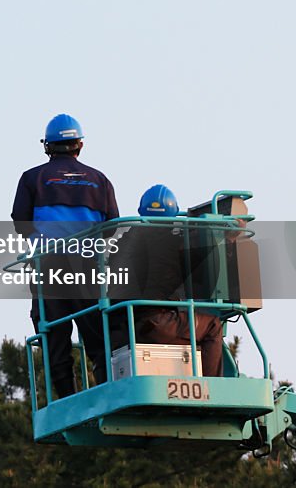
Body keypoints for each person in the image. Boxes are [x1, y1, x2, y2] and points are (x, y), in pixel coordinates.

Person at [12, 114, 119, 398]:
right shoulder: (101, 180)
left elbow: (20, 222)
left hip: (48, 270)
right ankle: (109, 393)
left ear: (48, 146)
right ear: (79, 145)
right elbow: (111, 227)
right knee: (98, 338)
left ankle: (68, 400)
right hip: (88, 270)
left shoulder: (31, 178)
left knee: (55, 339)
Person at [109, 185, 223, 377]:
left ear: (141, 212)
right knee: (212, 325)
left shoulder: (123, 242)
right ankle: (211, 387)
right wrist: (225, 236)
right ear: (173, 213)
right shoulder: (176, 242)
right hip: (156, 322)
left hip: (124, 327)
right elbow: (201, 260)